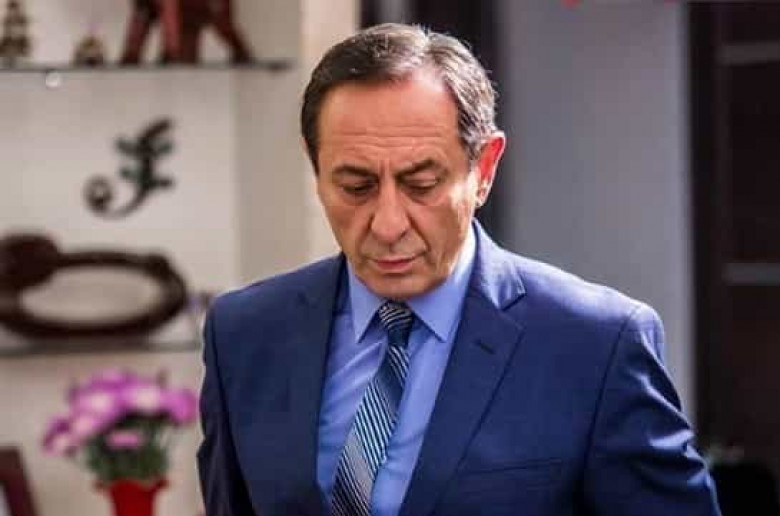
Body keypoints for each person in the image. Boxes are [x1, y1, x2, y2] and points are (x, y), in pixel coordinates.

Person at [197, 23, 721, 516]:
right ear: (316, 171)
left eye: (421, 185)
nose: (387, 224)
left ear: (484, 169)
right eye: (356, 187)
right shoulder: (244, 335)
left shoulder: (596, 344)